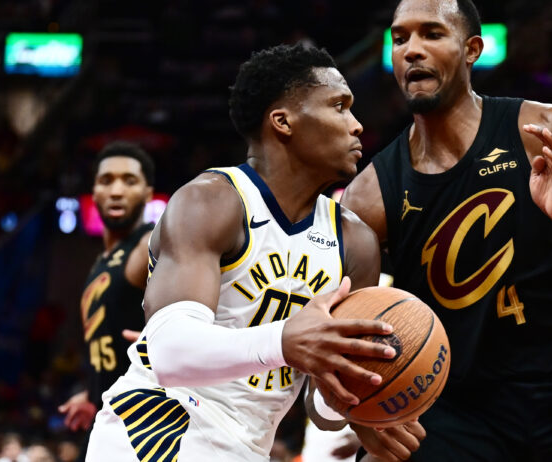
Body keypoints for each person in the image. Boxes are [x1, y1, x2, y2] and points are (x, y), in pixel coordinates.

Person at [341, 0, 552, 460]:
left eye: (432, 34)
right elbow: (345, 337)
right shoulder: (369, 196)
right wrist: (362, 416)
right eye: (400, 38)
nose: (412, 50)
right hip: (458, 408)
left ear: (472, 49)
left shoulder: (544, 132)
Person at [85, 43, 423, 462]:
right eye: (339, 107)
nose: (356, 126)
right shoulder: (211, 201)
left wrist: (359, 403)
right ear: (283, 121)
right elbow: (169, 352)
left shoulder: (355, 241)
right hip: (155, 430)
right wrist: (284, 341)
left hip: (246, 447)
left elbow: (321, 408)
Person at [58, 142, 155, 435]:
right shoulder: (103, 260)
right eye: (106, 180)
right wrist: (92, 393)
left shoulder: (150, 245)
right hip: (106, 418)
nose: (116, 191)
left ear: (148, 193)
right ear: (94, 192)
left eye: (129, 181)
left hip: (142, 425)